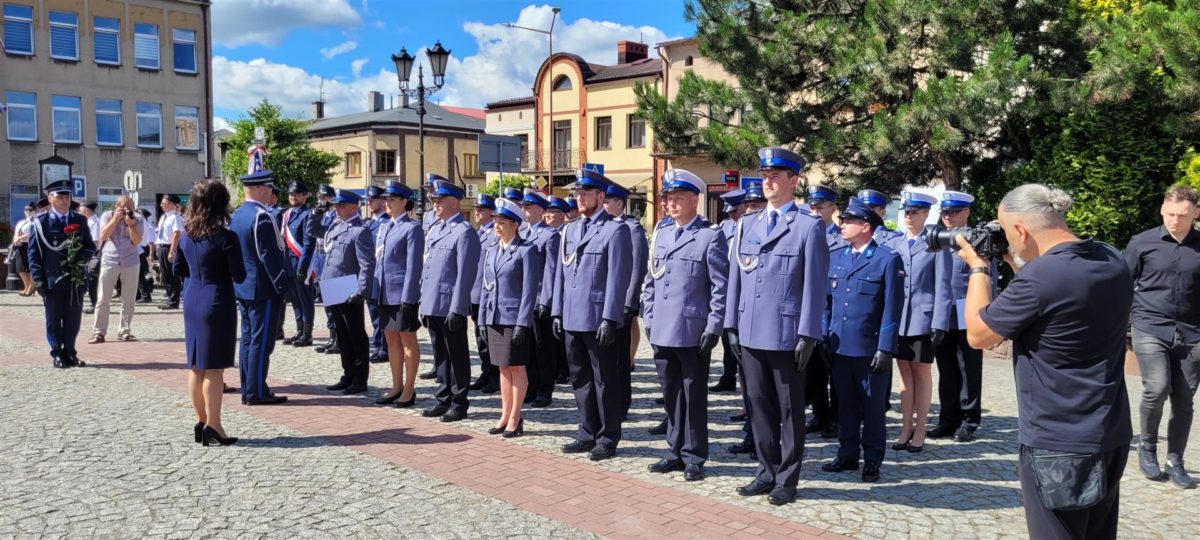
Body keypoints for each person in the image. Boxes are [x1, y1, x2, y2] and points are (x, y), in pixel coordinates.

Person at [961, 184, 1132, 539]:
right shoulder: (1111, 257)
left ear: (1020, 230)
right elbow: (1059, 302)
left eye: (1006, 231)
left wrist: (978, 268)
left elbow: (978, 334)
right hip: (1111, 432)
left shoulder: (1041, 279)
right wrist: (1019, 266)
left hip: (1057, 442)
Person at [725, 147, 827, 506]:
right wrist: (731, 324)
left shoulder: (808, 226)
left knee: (789, 411)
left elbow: (815, 285)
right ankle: (766, 471)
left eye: (775, 176)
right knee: (758, 406)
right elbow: (736, 277)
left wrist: (808, 333)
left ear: (793, 181)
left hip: (786, 335)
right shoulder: (747, 224)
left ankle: (787, 479)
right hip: (750, 330)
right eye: (765, 176)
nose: (767, 182)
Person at [642, 169, 728, 482]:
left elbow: (720, 286)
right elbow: (651, 280)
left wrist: (714, 327)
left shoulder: (709, 235)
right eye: (669, 198)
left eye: (679, 198)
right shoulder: (663, 233)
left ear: (695, 200)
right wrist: (649, 317)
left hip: (692, 330)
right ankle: (673, 451)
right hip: (662, 328)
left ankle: (694, 456)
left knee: (693, 396)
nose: (672, 204)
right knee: (671, 394)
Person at [553, 169, 633, 461]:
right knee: (580, 378)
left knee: (605, 381)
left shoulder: (615, 230)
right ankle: (587, 432)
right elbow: (561, 274)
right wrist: (557, 311)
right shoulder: (570, 229)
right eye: (578, 193)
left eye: (585, 193)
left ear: (600, 196)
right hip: (573, 315)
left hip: (598, 317)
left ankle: (608, 438)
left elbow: (618, 279)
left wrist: (610, 318)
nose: (580, 197)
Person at [822, 196, 903, 483]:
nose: (842, 225)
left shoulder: (887, 259)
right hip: (840, 346)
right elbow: (827, 303)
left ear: (865, 226)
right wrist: (823, 336)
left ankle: (872, 459)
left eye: (848, 221)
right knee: (845, 405)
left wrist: (885, 348)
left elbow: (892, 307)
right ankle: (847, 454)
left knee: (872, 408)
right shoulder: (836, 257)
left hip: (870, 349)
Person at [1124, 185, 1200, 489]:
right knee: (1156, 387)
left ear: (1196, 213)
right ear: (1161, 210)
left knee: (1184, 400)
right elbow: (1122, 283)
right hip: (1150, 326)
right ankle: (1148, 447)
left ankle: (1175, 460)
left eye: (1182, 215)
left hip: (1192, 332)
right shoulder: (1141, 242)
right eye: (1170, 214)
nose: (1175, 221)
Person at [174, 180, 244, 446]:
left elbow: (178, 269)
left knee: (196, 366)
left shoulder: (186, 235)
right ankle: (214, 426)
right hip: (217, 300)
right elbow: (239, 274)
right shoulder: (226, 237)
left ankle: (201, 421)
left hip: (192, 297)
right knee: (214, 369)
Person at [882, 192, 951, 453]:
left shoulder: (935, 245)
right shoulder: (894, 243)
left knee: (921, 375)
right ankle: (905, 428)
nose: (909, 217)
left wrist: (939, 323)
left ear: (925, 214)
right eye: (906, 212)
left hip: (923, 319)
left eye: (915, 212)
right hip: (900, 320)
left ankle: (920, 428)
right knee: (904, 374)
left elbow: (943, 286)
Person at [929, 191, 993, 442]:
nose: (948, 216)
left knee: (969, 369)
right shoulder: (937, 240)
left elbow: (987, 279)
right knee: (946, 370)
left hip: (968, 312)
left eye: (953, 212)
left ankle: (969, 420)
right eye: (945, 212)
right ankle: (947, 419)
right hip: (943, 314)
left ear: (966, 212)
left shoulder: (977, 240)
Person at [419, 179, 481, 422]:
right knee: (440, 355)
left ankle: (459, 401)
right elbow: (428, 269)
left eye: (440, 200)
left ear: (454, 203)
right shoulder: (436, 229)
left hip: (450, 304)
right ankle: (443, 397)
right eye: (434, 200)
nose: (435, 204)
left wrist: (457, 308)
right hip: (433, 302)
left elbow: (466, 275)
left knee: (457, 354)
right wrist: (423, 302)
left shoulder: (464, 232)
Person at [480, 198, 541, 437]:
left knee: (516, 367)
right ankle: (505, 414)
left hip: (514, 318)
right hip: (494, 316)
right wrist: (483, 318)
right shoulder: (491, 250)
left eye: (502, 222)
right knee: (502, 368)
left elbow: (529, 291)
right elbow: (486, 287)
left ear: (515, 224)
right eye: (495, 221)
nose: (496, 226)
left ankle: (516, 417)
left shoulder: (526, 250)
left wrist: (523, 323)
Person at [230, 170, 291, 405]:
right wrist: (281, 285)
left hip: (244, 286)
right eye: (268, 188)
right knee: (261, 342)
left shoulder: (238, 214)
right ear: (259, 189)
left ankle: (249, 388)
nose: (270, 192)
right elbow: (269, 256)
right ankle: (256, 392)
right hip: (263, 288)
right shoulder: (261, 216)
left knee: (248, 339)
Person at [28, 180, 97, 368]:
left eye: (67, 196)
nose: (65, 200)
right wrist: (38, 279)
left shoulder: (79, 219)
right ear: (50, 198)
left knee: (73, 319)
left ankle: (70, 352)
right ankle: (57, 353)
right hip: (51, 278)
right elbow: (34, 253)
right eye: (61, 197)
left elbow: (90, 246)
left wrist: (82, 256)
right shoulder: (41, 222)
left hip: (75, 278)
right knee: (53, 319)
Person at [371, 182, 424, 408]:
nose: (387, 203)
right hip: (385, 293)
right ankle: (396, 386)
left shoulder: (412, 229)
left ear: (404, 202)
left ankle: (409, 389)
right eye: (386, 199)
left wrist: (409, 298)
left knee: (407, 340)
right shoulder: (385, 227)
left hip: (402, 293)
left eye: (392, 200)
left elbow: (413, 266)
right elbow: (379, 262)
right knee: (391, 340)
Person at [319, 189, 376, 395]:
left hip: (348, 287)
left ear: (353, 207)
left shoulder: (359, 231)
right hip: (334, 285)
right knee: (342, 336)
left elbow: (367, 265)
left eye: (341, 204)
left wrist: (361, 291)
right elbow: (314, 231)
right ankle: (348, 374)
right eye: (335, 204)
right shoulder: (336, 226)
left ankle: (360, 379)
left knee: (355, 335)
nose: (336, 208)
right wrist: (317, 213)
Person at [604, 182, 649, 421]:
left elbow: (637, 268)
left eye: (607, 201)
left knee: (620, 359)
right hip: (602, 303)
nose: (603, 205)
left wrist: (629, 302)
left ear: (619, 204)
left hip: (620, 302)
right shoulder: (602, 227)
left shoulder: (632, 229)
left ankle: (621, 404)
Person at [804, 184, 843, 439]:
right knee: (813, 369)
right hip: (812, 311)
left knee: (836, 371)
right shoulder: (805, 234)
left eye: (820, 208)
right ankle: (819, 415)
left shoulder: (842, 238)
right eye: (813, 208)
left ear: (833, 209)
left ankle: (836, 418)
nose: (815, 212)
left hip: (836, 310)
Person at [517, 189, 561, 408]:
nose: (524, 210)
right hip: (523, 300)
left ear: (540, 210)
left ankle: (545, 389)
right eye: (523, 206)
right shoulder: (521, 232)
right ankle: (531, 386)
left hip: (539, 298)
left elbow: (552, 271)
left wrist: (546, 300)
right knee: (528, 348)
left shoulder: (549, 235)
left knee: (543, 347)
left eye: (528, 206)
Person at [89, 196, 145, 344]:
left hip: (131, 261)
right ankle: (99, 332)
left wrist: (131, 225)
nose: (128, 210)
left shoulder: (138, 218)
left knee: (129, 299)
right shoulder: (107, 216)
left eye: (130, 208)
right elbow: (103, 236)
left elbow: (136, 241)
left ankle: (124, 331)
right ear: (116, 206)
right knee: (103, 297)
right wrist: (115, 219)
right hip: (110, 259)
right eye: (124, 207)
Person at [709, 189, 746, 394]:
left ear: (744, 207)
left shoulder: (751, 225)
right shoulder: (725, 226)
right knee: (727, 336)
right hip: (728, 285)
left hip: (744, 286)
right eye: (729, 212)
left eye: (735, 211)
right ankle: (728, 376)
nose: (731, 215)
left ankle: (743, 380)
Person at [469, 192, 500, 394]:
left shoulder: (495, 234)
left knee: (490, 337)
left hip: (487, 293)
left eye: (481, 209)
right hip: (474, 293)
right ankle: (485, 371)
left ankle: (495, 376)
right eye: (476, 209)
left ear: (491, 212)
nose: (477, 212)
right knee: (480, 337)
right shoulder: (476, 233)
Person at [281, 181, 317, 347]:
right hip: (288, 263)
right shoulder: (287, 214)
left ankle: (307, 334)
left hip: (301, 263)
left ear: (304, 196)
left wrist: (303, 266)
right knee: (295, 299)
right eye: (291, 194)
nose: (293, 197)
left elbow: (308, 244)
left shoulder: (308, 215)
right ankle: (299, 331)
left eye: (296, 194)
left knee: (305, 298)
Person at [545, 195, 573, 386]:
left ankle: (565, 369)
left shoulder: (567, 234)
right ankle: (556, 368)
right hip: (550, 291)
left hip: (563, 291)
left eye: (552, 212)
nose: (548, 215)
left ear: (562, 215)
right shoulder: (546, 234)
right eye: (546, 211)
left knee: (562, 335)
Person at [313, 184, 341, 354]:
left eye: (325, 198)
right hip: (321, 262)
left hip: (333, 264)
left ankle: (339, 339)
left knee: (336, 304)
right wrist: (317, 214)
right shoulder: (322, 216)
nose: (321, 201)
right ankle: (332, 338)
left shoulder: (337, 216)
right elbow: (312, 231)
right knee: (328, 305)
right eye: (320, 198)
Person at [365, 185, 390, 363]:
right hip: (370, 275)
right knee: (374, 313)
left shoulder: (387, 223)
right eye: (368, 199)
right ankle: (377, 345)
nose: (369, 202)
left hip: (382, 276)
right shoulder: (368, 223)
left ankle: (384, 348)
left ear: (382, 201)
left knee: (382, 314)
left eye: (373, 199)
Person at [155, 194, 185, 310]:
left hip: (169, 247)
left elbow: (176, 234)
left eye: (164, 203)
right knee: (165, 275)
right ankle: (169, 298)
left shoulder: (175, 217)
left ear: (172, 204)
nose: (161, 205)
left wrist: (172, 251)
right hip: (161, 247)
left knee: (172, 275)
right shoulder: (164, 217)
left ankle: (174, 301)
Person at [79, 201, 101, 314]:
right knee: (90, 279)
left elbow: (95, 241)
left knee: (93, 279)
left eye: (81, 209)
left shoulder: (95, 222)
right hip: (90, 254)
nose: (79, 211)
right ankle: (94, 303)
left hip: (94, 254)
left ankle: (95, 304)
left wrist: (91, 255)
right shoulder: (87, 221)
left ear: (87, 210)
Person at [10, 204, 36, 296]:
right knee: (21, 268)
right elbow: (16, 234)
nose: (28, 211)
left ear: (34, 211)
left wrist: (20, 237)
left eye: (30, 210)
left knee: (31, 267)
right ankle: (27, 286)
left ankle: (31, 287)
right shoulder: (21, 222)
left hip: (31, 245)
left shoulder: (35, 221)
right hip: (21, 245)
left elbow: (32, 233)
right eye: (26, 210)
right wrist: (15, 240)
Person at [137, 209, 156, 303]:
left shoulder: (148, 226)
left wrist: (151, 255)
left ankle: (146, 295)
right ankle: (139, 295)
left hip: (143, 251)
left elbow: (151, 243)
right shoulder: (140, 224)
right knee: (139, 274)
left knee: (141, 274)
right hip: (139, 250)